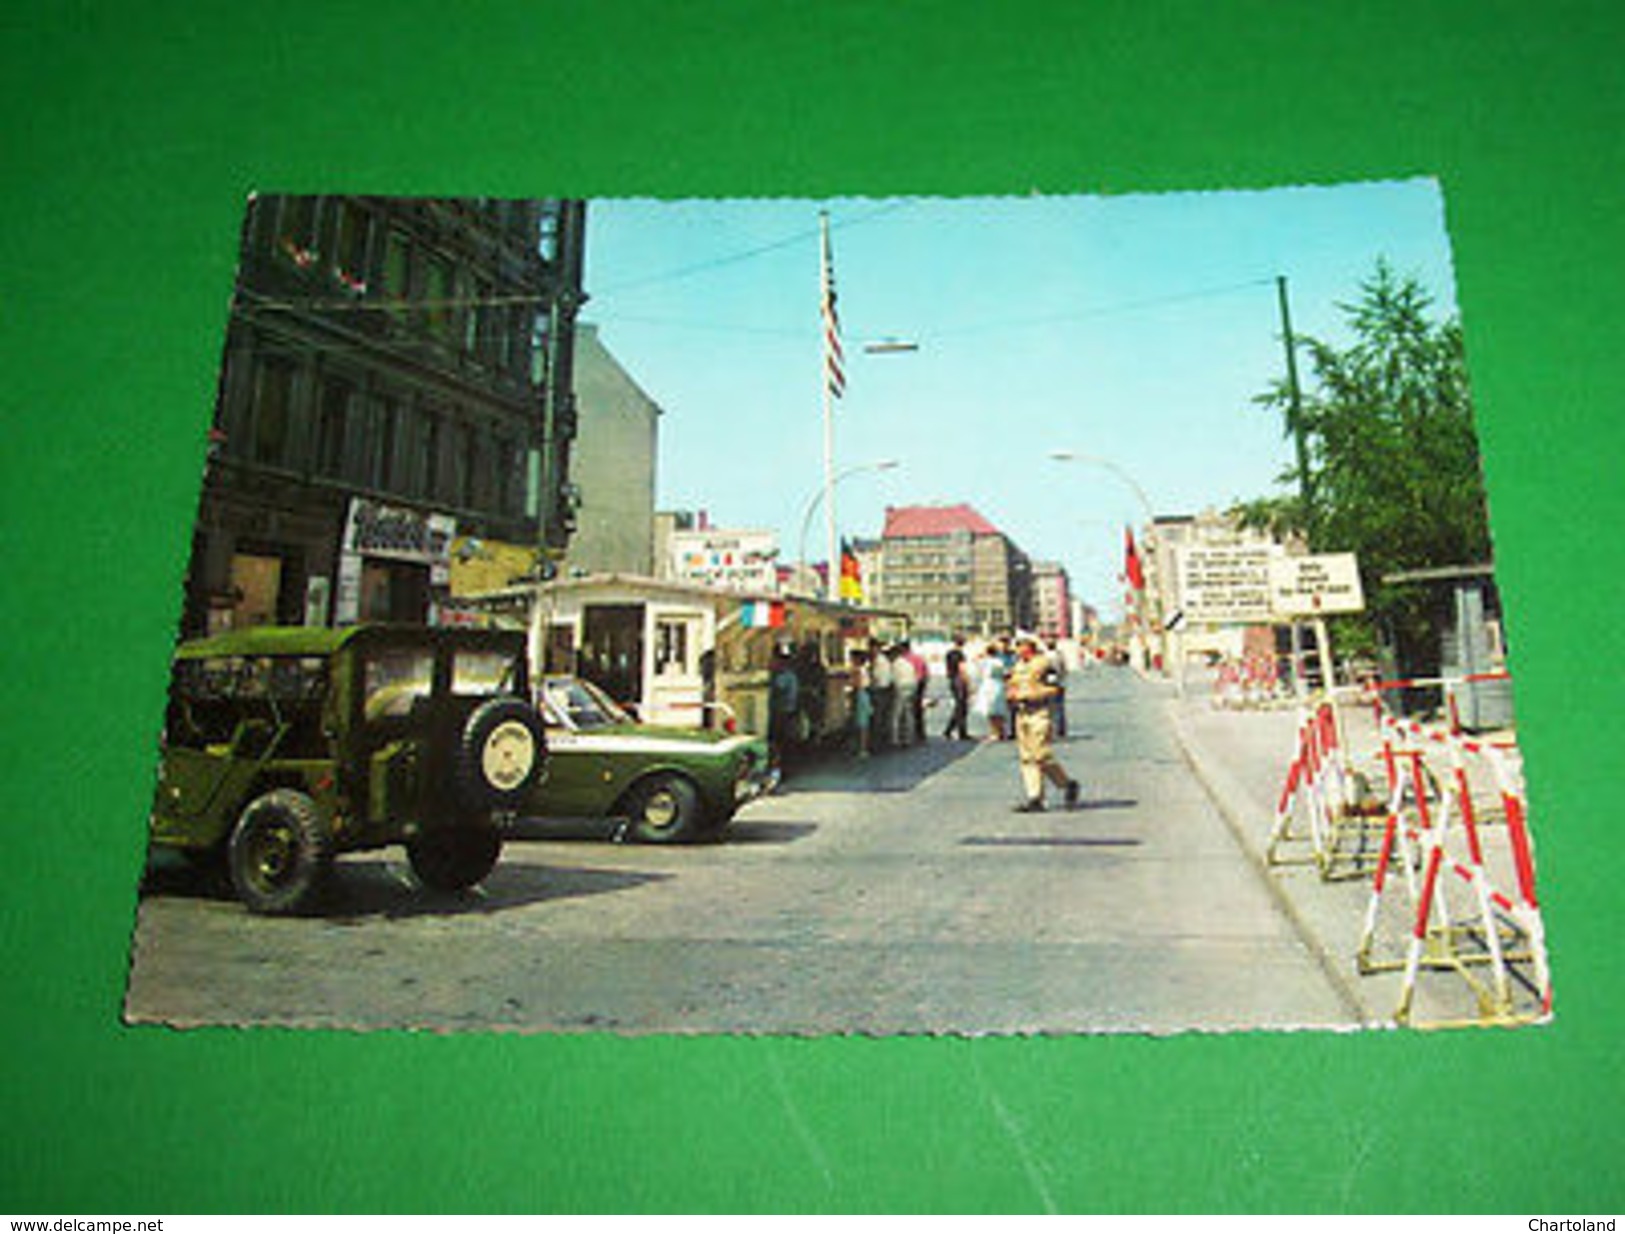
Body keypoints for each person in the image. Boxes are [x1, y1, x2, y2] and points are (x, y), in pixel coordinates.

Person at [1006, 634, 1081, 813]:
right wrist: (1011, 693)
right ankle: (1035, 797)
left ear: (1030, 646)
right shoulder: (1018, 666)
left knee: (1041, 755)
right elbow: (1012, 684)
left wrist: (1032, 694)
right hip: (1021, 714)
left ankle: (1067, 783)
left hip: (1039, 712)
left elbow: (1055, 688)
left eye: (1020, 645)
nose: (1016, 649)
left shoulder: (1045, 664)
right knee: (1026, 757)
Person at [972, 640, 1009, 742]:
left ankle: (995, 732)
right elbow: (1005, 673)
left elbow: (975, 660)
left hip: (989, 685)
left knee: (992, 711)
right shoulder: (998, 662)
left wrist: (982, 654)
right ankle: (1001, 731)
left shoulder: (987, 662)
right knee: (998, 710)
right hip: (997, 684)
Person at [769, 646, 801, 758]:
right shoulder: (792, 675)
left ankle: (780, 756)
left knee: (779, 735)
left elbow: (778, 687)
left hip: (783, 708)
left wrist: (772, 675)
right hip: (790, 707)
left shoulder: (784, 676)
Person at [868, 638, 895, 752]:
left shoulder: (879, 661)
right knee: (881, 716)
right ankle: (881, 742)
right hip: (885, 690)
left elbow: (877, 678)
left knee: (878, 717)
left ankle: (877, 744)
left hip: (880, 691)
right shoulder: (883, 660)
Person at [942, 636, 971, 740]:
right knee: (962, 707)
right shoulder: (960, 654)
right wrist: (968, 682)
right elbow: (962, 669)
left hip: (952, 680)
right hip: (959, 680)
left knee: (959, 706)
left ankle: (950, 730)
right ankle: (960, 731)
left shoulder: (949, 653)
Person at [889, 644, 917, 747]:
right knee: (908, 713)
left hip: (901, 688)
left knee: (896, 714)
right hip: (911, 687)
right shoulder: (907, 663)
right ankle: (909, 737)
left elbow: (891, 679)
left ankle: (895, 739)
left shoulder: (895, 664)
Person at [848, 647, 873, 759]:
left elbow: (855, 684)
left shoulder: (857, 670)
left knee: (861, 723)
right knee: (863, 723)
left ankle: (862, 748)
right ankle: (863, 747)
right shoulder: (864, 669)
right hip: (865, 695)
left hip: (860, 695)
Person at [903, 640, 929, 744]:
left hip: (911, 684)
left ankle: (911, 733)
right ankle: (920, 733)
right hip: (919, 684)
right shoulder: (918, 658)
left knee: (909, 710)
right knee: (918, 710)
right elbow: (926, 673)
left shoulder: (904, 660)